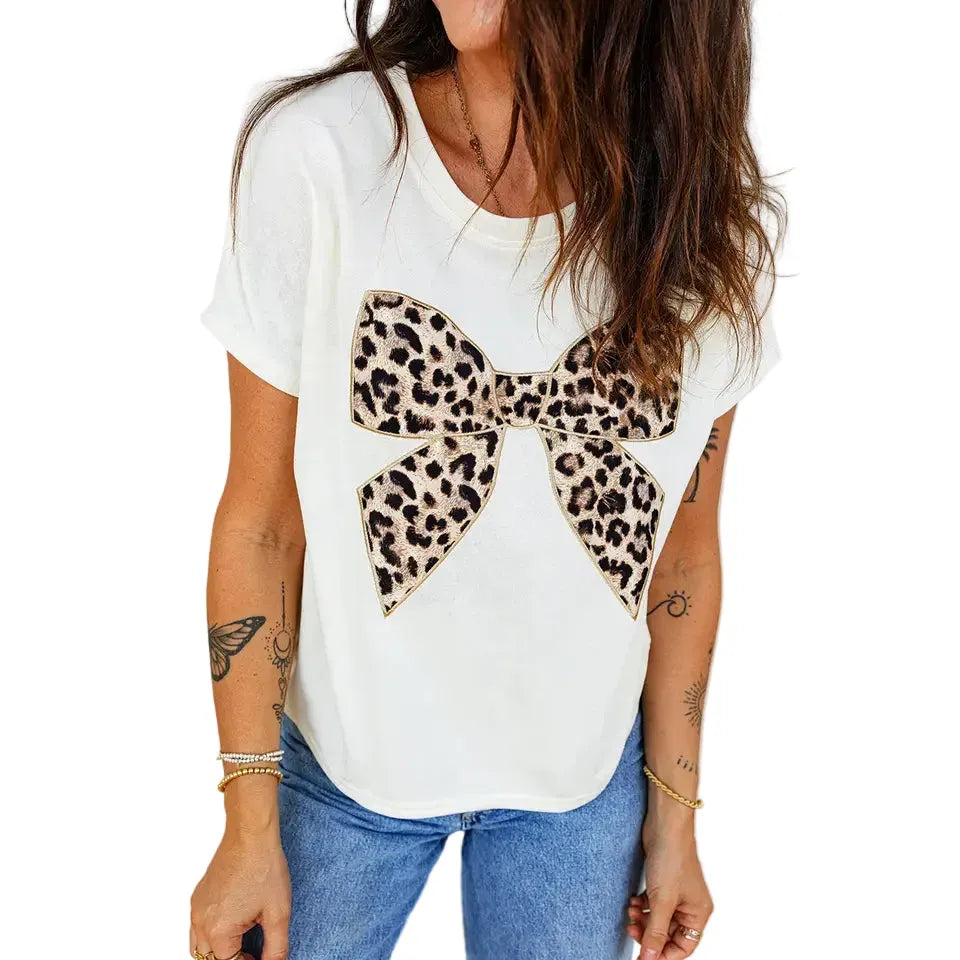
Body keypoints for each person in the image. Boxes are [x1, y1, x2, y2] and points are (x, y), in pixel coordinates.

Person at [189, 2, 784, 959]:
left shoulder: (700, 228)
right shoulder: (321, 156)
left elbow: (680, 556)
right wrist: (245, 825)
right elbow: (263, 522)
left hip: (581, 785)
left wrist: (676, 820)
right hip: (343, 768)